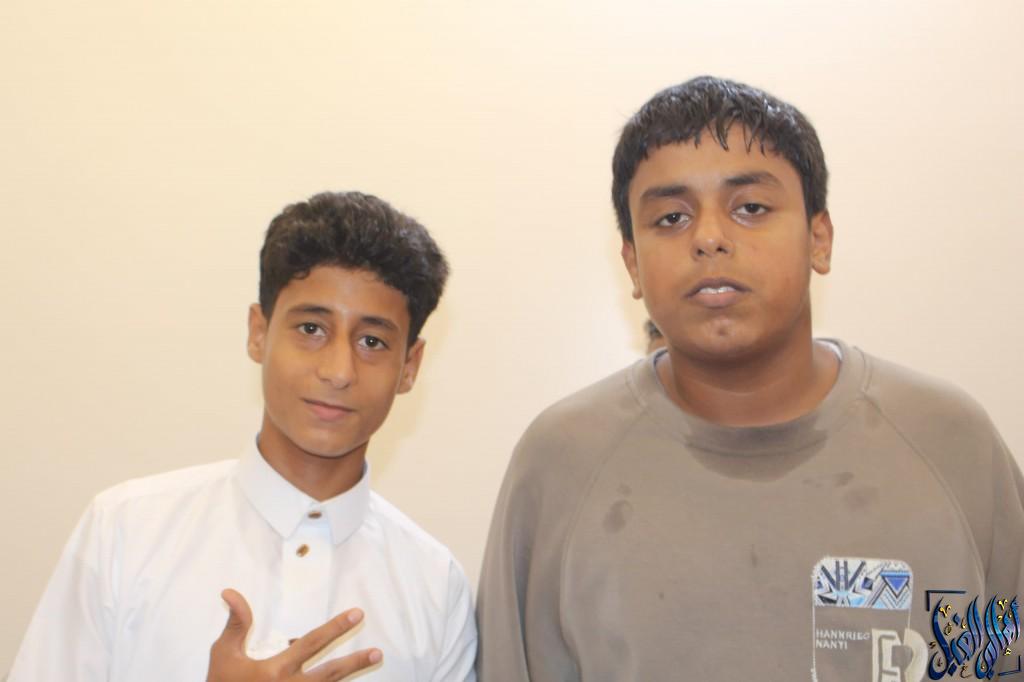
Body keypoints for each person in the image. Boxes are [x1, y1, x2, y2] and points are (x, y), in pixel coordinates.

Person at [475, 76, 1024, 680]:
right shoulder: (559, 465)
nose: (709, 238)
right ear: (631, 262)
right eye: (671, 217)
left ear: (819, 238)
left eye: (751, 208)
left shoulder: (951, 444)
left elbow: (1004, 657)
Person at [10, 192, 477, 681]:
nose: (339, 371)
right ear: (258, 332)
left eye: (372, 341)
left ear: (409, 366)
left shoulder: (435, 587)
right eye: (311, 328)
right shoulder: (125, 531)